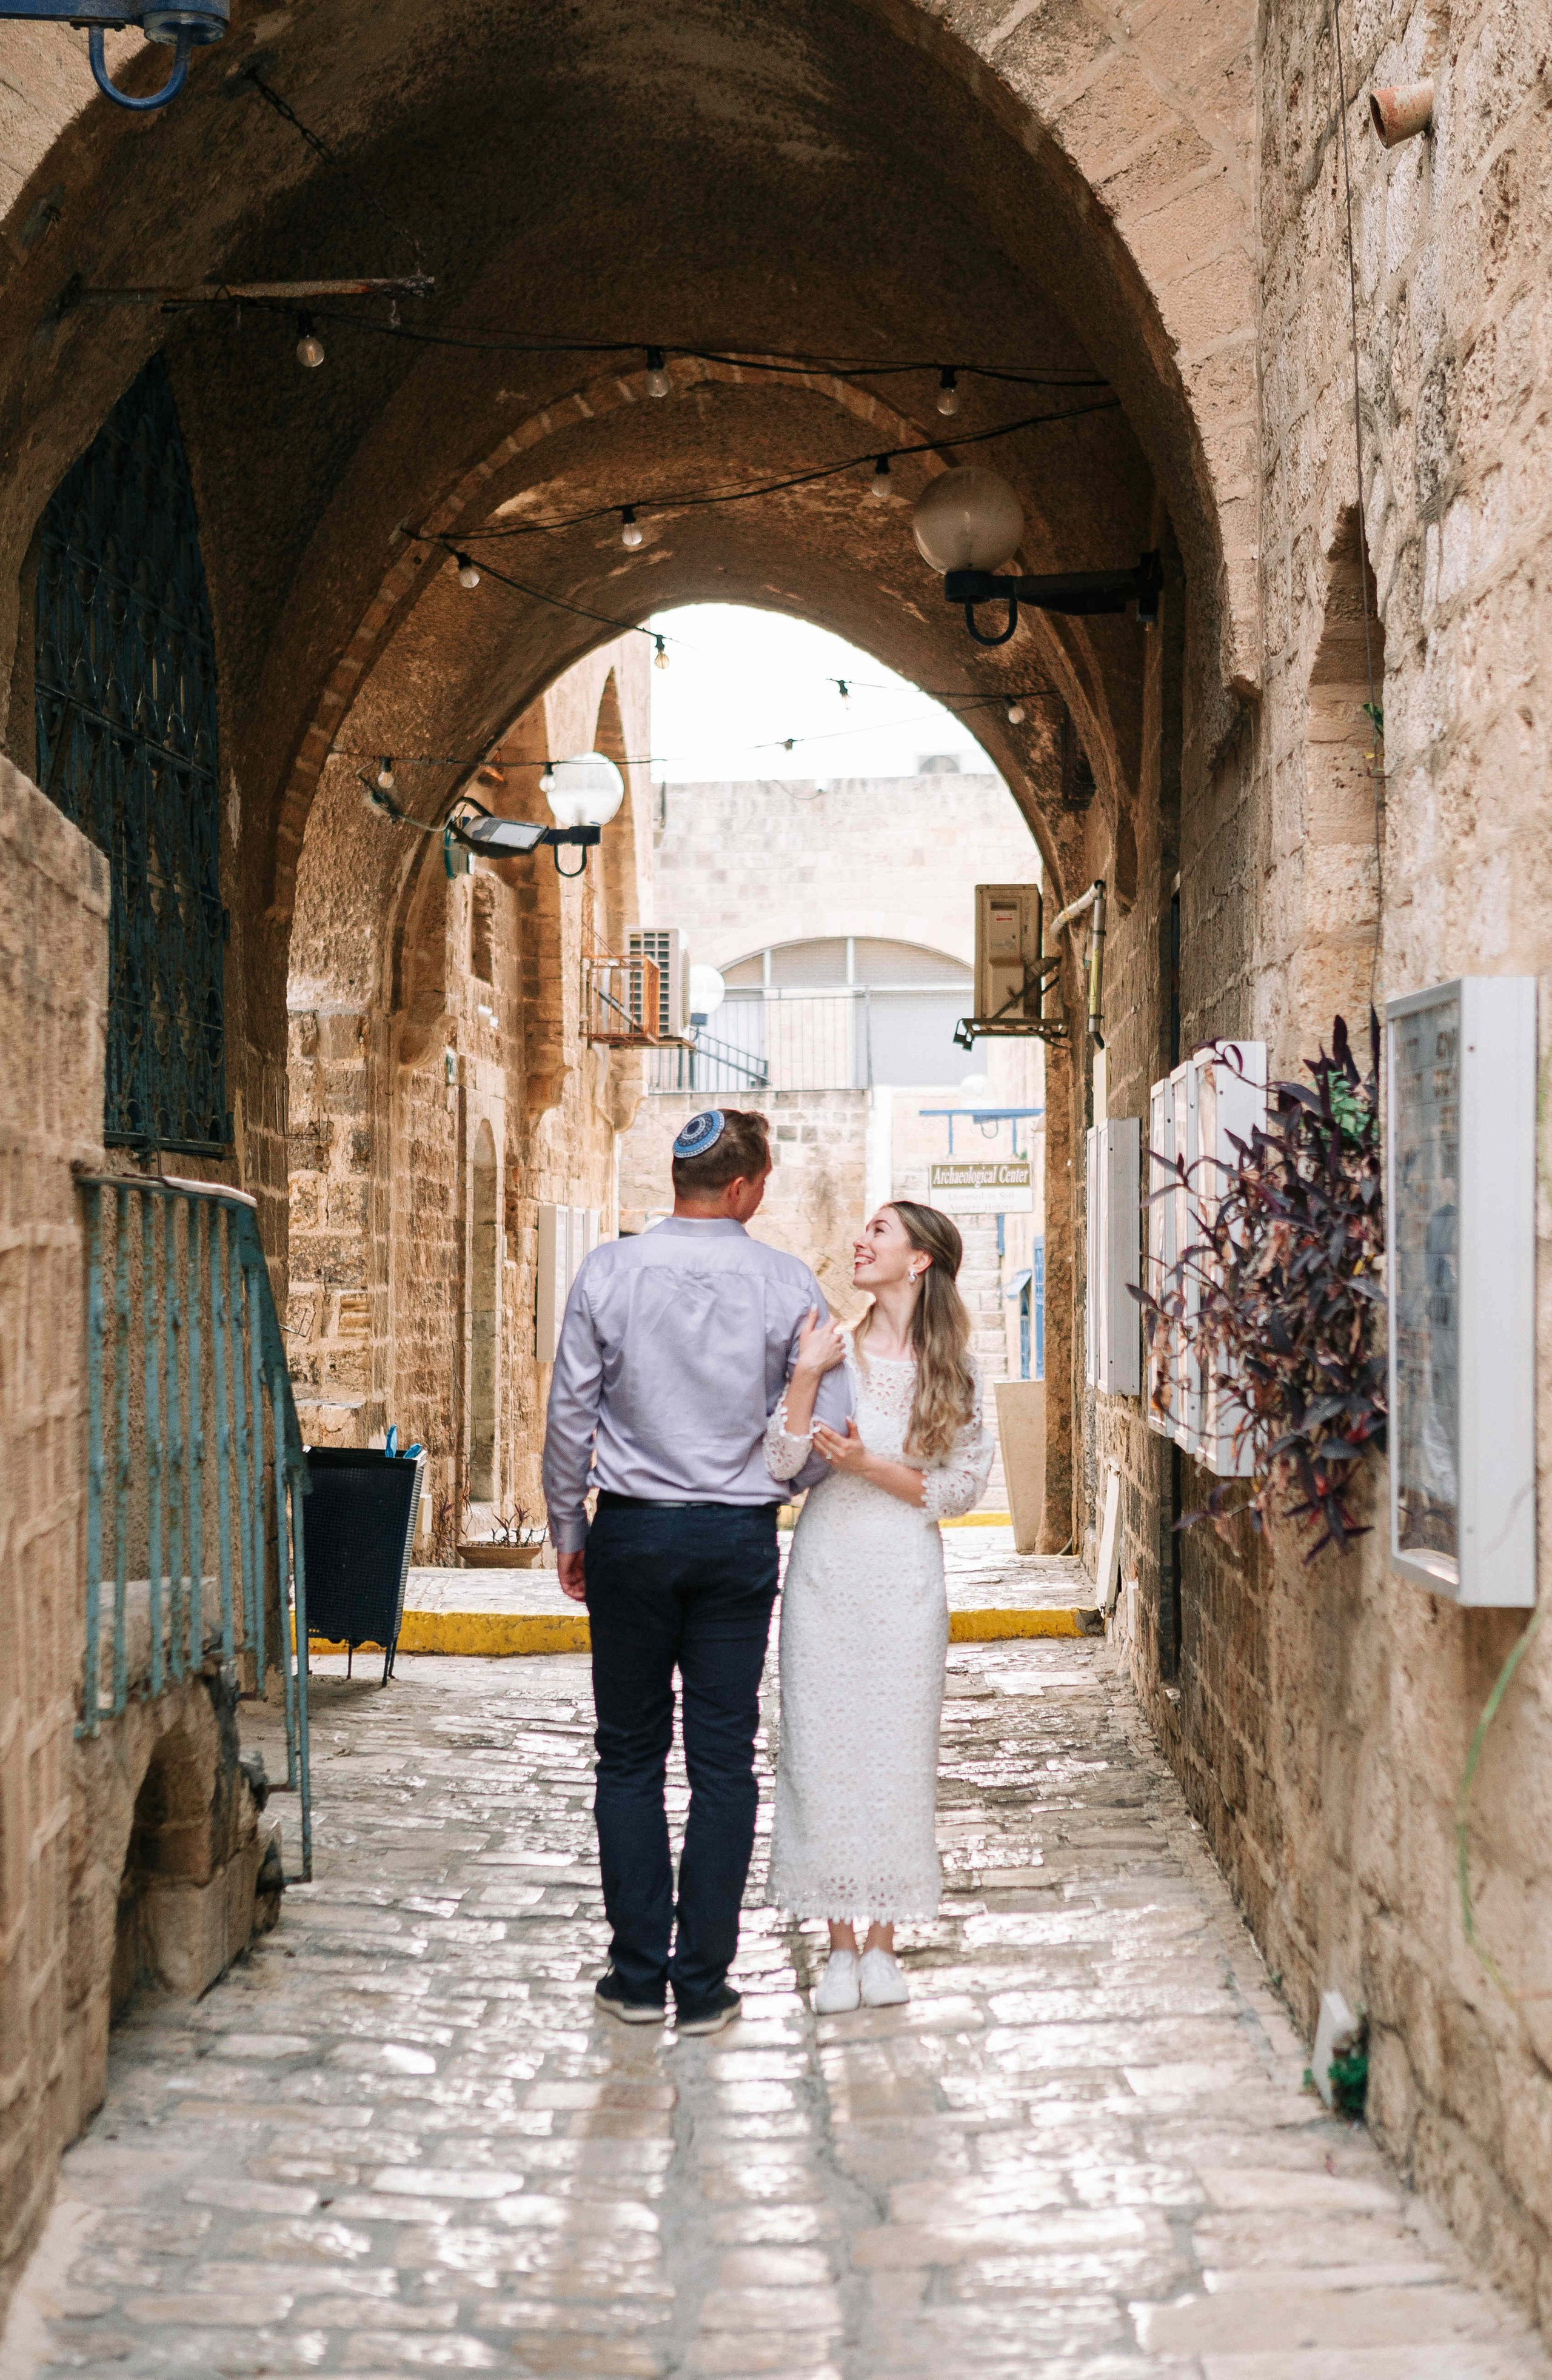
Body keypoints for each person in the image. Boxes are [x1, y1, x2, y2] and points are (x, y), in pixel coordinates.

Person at [541, 1108, 850, 2037]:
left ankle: (637, 1975)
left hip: (631, 1536)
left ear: (680, 1179)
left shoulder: (609, 1270)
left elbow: (569, 1416)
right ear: (747, 1186)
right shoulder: (788, 1283)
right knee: (724, 1761)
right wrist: (776, 1481)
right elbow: (823, 1435)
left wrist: (569, 1525)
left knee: (629, 1754)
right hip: (735, 1543)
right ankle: (704, 1983)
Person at [764, 1201, 995, 2012]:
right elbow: (783, 1462)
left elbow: (961, 1490)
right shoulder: (833, 1351)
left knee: (897, 1751)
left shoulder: (956, 1365)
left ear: (920, 1260)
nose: (860, 1241)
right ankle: (837, 1946)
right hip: (827, 1568)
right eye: (862, 1230)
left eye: (880, 1232)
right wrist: (801, 1375)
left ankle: (886, 1942)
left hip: (904, 1574)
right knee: (822, 1750)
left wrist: (867, 1462)